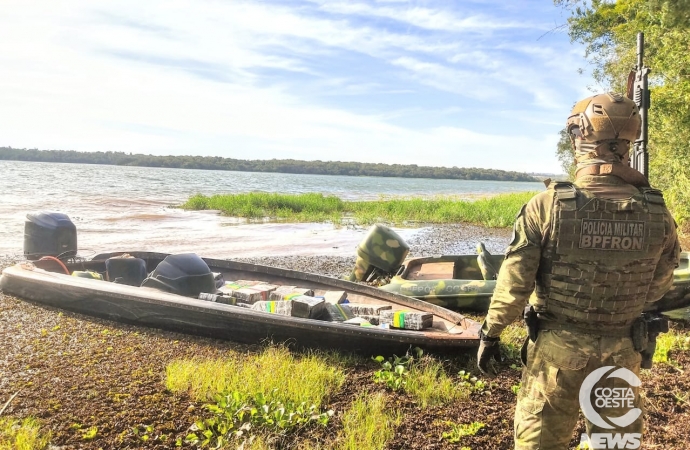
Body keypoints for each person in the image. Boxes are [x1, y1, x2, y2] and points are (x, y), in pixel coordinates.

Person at [476, 92, 681, 449]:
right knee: (614, 445)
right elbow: (659, 284)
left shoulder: (547, 206)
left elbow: (514, 286)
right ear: (629, 140)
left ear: (579, 137)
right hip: (621, 354)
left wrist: (490, 334)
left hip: (557, 355)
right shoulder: (657, 213)